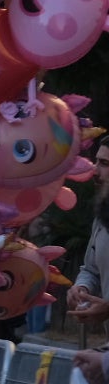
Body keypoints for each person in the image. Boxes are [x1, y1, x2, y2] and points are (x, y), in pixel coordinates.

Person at [66, 146, 109, 341]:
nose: (95, 170)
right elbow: (91, 270)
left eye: (105, 164)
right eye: (97, 161)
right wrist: (82, 289)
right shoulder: (102, 217)